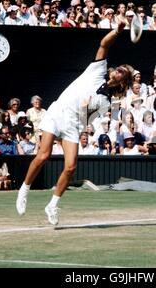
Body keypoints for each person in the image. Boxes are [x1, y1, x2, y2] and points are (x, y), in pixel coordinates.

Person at [16, 21, 132, 225]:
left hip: (73, 124)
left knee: (70, 167)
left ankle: (52, 205)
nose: (118, 70)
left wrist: (85, 108)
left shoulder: (106, 103)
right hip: (58, 112)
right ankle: (24, 190)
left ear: (122, 81)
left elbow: (86, 121)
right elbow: (104, 44)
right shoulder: (98, 69)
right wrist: (118, 30)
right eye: (119, 68)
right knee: (43, 155)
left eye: (123, 72)